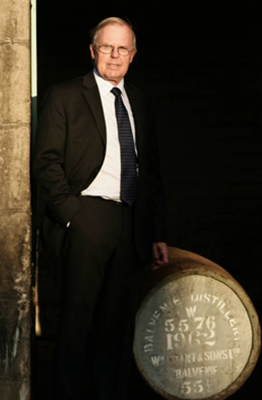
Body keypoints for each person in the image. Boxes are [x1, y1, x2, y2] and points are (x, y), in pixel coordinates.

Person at [33, 17, 168, 400]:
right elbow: (46, 161)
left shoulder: (140, 100)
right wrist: (71, 214)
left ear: (133, 55)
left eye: (122, 48)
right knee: (78, 322)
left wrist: (157, 231)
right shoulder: (64, 95)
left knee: (117, 324)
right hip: (86, 217)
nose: (114, 55)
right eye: (106, 47)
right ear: (92, 51)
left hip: (132, 220)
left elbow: (152, 171)